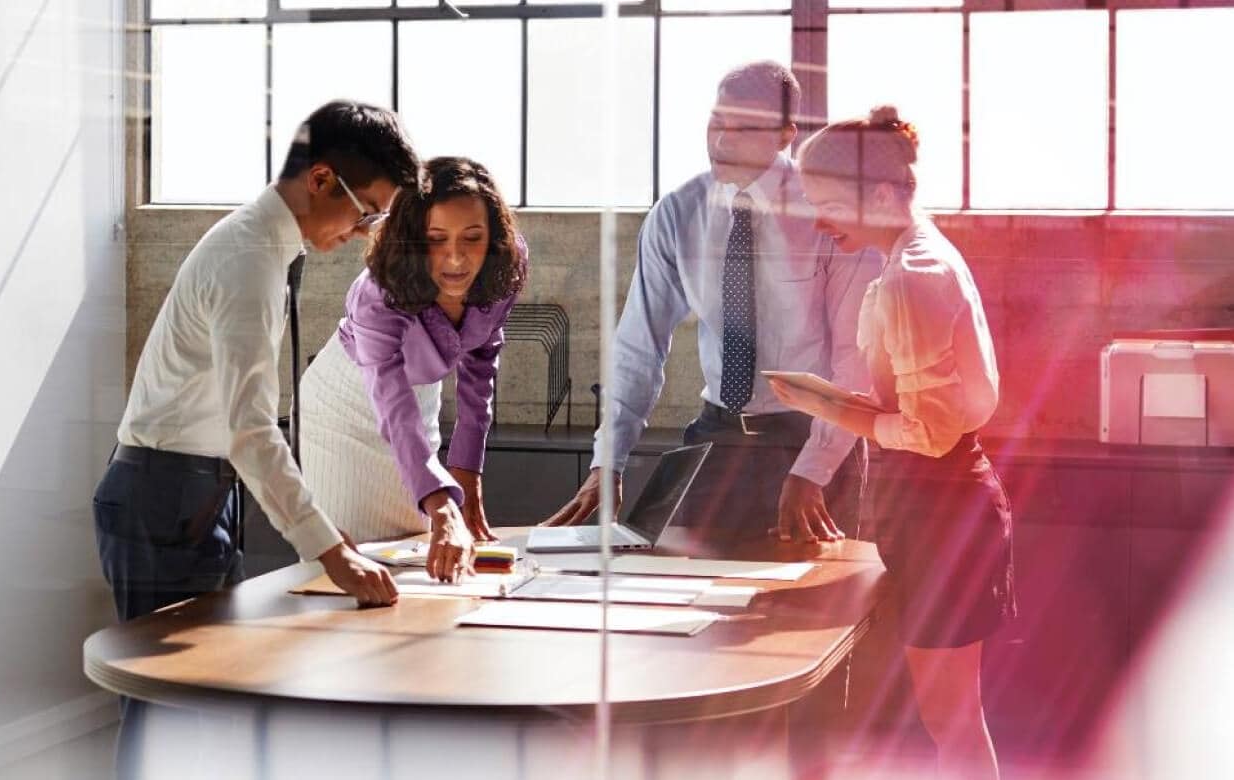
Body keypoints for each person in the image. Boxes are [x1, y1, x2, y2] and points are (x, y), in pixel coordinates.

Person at [92, 100, 417, 776]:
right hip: (165, 494)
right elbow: (251, 429)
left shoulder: (264, 248)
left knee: (208, 703)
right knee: (167, 714)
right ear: (323, 179)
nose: (365, 233)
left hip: (191, 492)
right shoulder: (249, 262)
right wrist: (333, 553)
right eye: (369, 211)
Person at [767, 105, 1016, 779]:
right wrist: (824, 397)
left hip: (945, 511)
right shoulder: (913, 255)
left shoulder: (914, 275)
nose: (818, 220)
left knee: (953, 720)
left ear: (879, 194)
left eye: (826, 203)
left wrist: (825, 403)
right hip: (933, 508)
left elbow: (928, 435)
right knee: (949, 720)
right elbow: (906, 410)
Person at [543, 61, 881, 544]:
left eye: (743, 127)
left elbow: (855, 362)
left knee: (802, 606)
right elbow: (639, 345)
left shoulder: (828, 213)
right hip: (718, 434)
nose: (721, 140)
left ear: (785, 135)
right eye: (716, 122)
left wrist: (815, 469)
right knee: (683, 585)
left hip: (813, 434)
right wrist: (608, 460)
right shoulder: (678, 213)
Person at [299, 156, 527, 583]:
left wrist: (466, 475)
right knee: (353, 570)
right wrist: (441, 503)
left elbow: (481, 362)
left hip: (419, 399)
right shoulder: (378, 290)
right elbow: (389, 400)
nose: (455, 258)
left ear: (493, 236)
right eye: (436, 239)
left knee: (421, 564)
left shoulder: (505, 265)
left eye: (472, 237)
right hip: (345, 406)